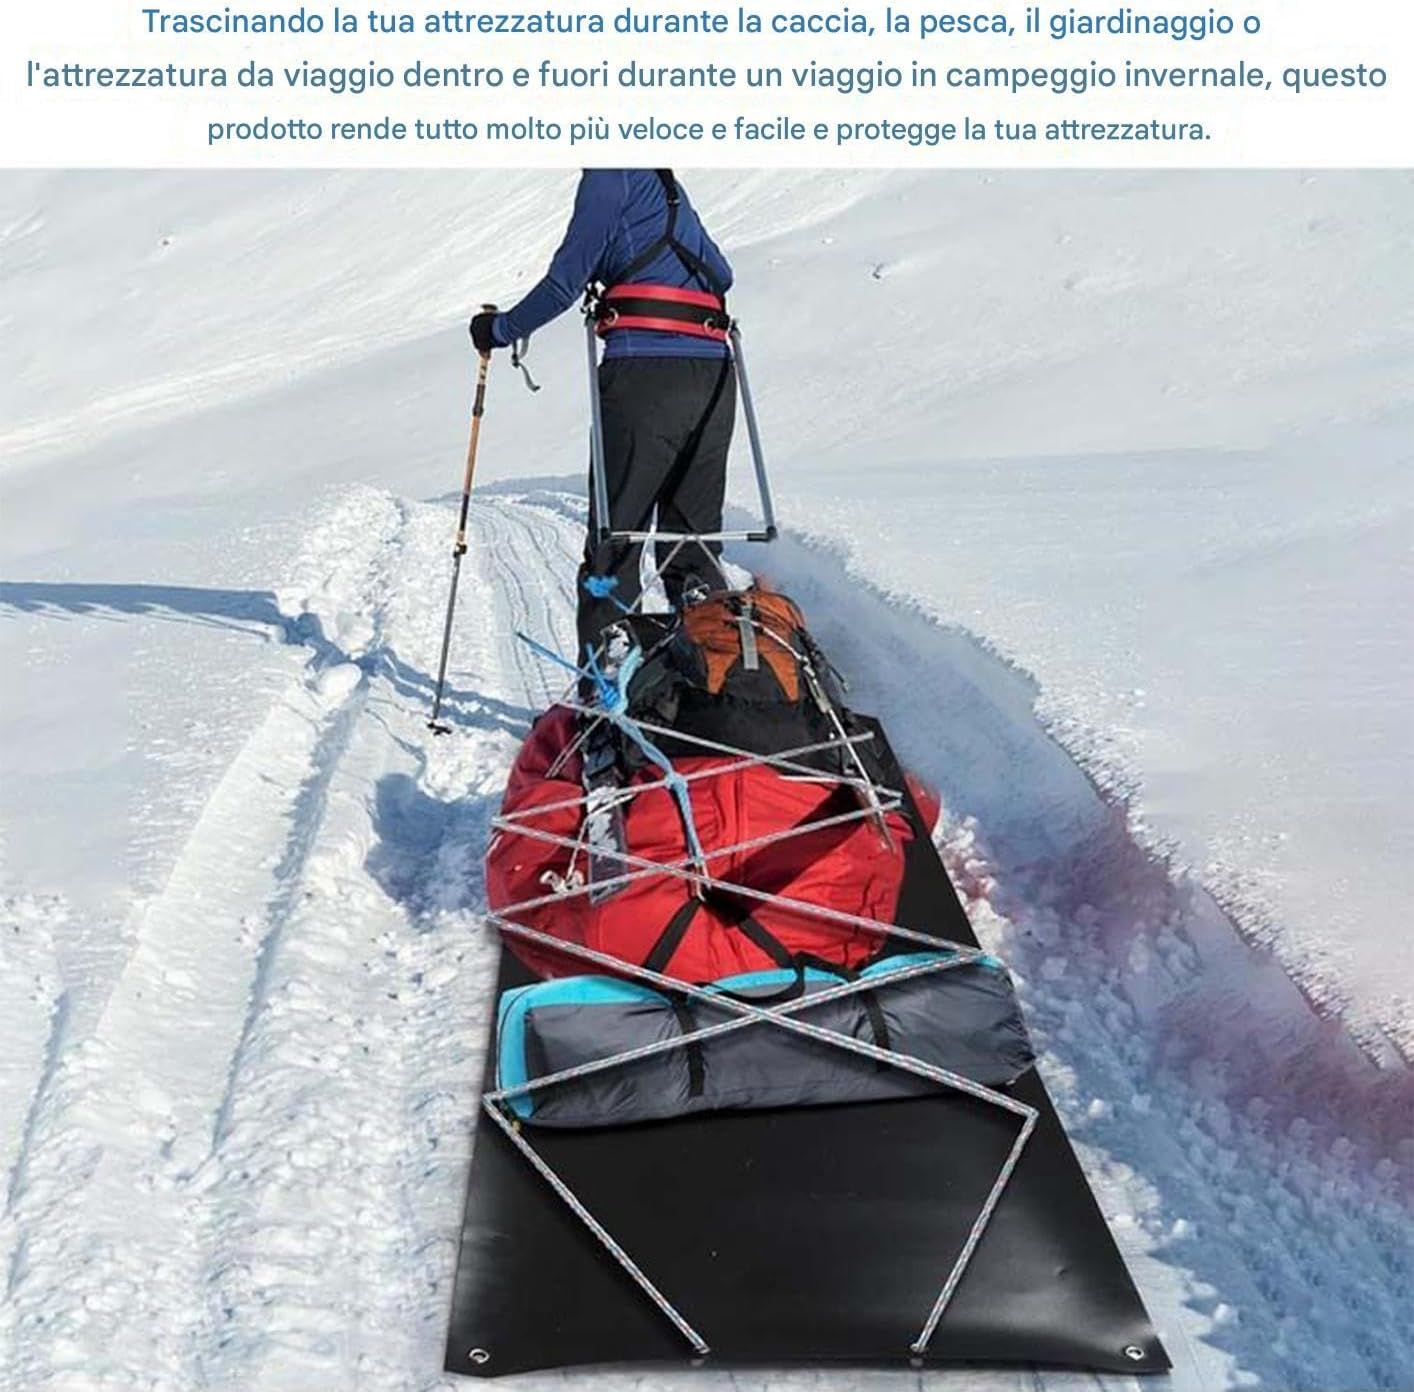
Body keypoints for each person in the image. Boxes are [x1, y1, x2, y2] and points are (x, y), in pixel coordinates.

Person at [470, 169, 736, 675]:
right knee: (693, 544)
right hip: (715, 374)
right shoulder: (667, 186)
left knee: (618, 538)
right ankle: (711, 681)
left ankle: (605, 687)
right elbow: (721, 274)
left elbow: (563, 282)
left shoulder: (611, 173)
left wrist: (498, 329)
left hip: (644, 373)